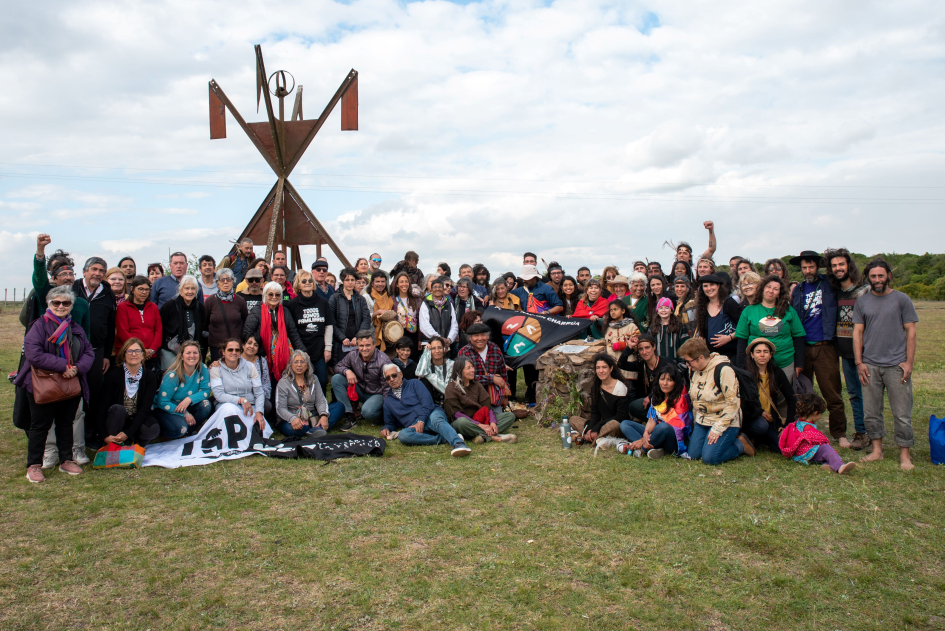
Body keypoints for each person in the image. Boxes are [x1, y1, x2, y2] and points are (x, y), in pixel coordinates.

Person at [16, 286, 96, 483]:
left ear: (71, 306)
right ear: (49, 304)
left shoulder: (75, 328)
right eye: (56, 302)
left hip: (70, 382)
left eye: (65, 303)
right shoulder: (38, 326)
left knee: (65, 423)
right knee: (40, 425)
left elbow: (88, 352)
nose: (61, 306)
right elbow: (33, 354)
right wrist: (63, 366)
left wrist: (76, 368)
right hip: (43, 384)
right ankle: (34, 465)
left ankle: (66, 460)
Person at [854, 259, 918, 470]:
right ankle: (877, 450)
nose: (877, 280)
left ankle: (905, 454)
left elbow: (911, 331)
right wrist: (859, 362)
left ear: (888, 275)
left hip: (896, 365)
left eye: (881, 275)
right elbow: (858, 332)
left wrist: (909, 362)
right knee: (871, 411)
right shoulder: (862, 302)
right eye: (873, 276)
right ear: (868, 278)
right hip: (870, 365)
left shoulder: (902, 299)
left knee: (902, 412)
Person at [789, 250, 847, 446]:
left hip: (825, 346)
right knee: (803, 393)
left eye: (811, 267)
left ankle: (839, 433)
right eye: (804, 267)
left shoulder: (830, 284)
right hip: (803, 346)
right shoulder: (797, 290)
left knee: (832, 392)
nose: (807, 271)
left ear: (817, 267)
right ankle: (805, 432)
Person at [678, 338, 753, 464]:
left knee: (710, 458)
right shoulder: (694, 370)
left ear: (701, 358)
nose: (687, 365)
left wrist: (717, 429)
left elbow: (733, 403)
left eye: (689, 361)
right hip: (703, 420)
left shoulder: (724, 371)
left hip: (725, 420)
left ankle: (740, 445)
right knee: (694, 455)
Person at [827, 248, 870, 450]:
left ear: (849, 265)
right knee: (854, 394)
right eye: (834, 265)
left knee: (870, 394)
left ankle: (874, 435)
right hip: (845, 352)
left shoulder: (865, 291)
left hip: (867, 352)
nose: (838, 268)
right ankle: (861, 433)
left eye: (841, 264)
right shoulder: (835, 293)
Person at [380, 364, 471, 457]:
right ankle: (444, 438)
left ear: (401, 374)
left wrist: (421, 420)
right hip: (415, 426)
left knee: (436, 419)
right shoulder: (388, 401)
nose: (391, 379)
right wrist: (386, 429)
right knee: (403, 435)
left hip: (431, 413)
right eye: (388, 378)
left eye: (394, 375)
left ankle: (459, 443)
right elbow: (390, 422)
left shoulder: (415, 383)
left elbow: (428, 403)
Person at [74, 255, 117, 447]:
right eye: (94, 269)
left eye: (101, 271)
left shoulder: (107, 294)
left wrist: (106, 355)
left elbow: (110, 325)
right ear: (85, 271)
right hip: (73, 350)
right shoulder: (73, 288)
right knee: (74, 390)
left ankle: (90, 433)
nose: (97, 274)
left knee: (93, 392)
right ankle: (70, 433)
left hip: (96, 350)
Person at [734, 274, 806, 382]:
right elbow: (742, 341)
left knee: (785, 391)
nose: (771, 291)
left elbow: (798, 337)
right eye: (768, 287)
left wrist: (799, 363)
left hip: (785, 362)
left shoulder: (789, 311)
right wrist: (741, 367)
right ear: (762, 289)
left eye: (775, 289)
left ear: (779, 294)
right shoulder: (748, 311)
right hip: (756, 365)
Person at [95, 338, 161, 448]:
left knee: (153, 429)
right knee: (118, 410)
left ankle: (134, 444)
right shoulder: (114, 375)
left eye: (137, 351)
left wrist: (128, 433)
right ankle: (111, 444)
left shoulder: (150, 377)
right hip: (116, 420)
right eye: (129, 351)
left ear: (143, 355)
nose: (133, 354)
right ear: (123, 355)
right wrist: (104, 435)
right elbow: (102, 406)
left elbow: (145, 408)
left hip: (136, 420)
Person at [512, 264, 563, 405]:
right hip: (527, 332)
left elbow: (559, 306)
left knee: (542, 361)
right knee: (528, 362)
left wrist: (545, 313)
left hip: (544, 331)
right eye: (524, 278)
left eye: (528, 278)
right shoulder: (519, 291)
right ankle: (530, 392)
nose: (525, 281)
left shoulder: (546, 289)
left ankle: (545, 393)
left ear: (535, 277)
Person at [243, 282, 306, 394]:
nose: (274, 297)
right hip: (263, 356)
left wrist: (303, 351)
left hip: (282, 355)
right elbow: (247, 334)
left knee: (281, 386)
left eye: (277, 295)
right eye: (270, 294)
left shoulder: (285, 311)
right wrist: (262, 352)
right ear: (265, 295)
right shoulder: (257, 311)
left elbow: (293, 333)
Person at [618, 363, 691, 459]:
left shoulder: (680, 399)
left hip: (672, 438)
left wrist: (642, 440)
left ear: (675, 383)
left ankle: (641, 449)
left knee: (663, 427)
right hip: (655, 433)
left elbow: (677, 426)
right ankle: (654, 448)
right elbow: (652, 420)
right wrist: (646, 433)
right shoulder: (657, 397)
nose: (665, 383)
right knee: (625, 424)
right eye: (662, 379)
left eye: (669, 380)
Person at [444, 357, 517, 444]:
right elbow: (457, 414)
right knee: (461, 422)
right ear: (460, 370)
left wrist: (492, 422)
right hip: (465, 422)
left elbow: (487, 407)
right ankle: (493, 437)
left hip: (480, 419)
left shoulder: (477, 385)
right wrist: (479, 425)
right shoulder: (451, 388)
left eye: (472, 367)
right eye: (468, 368)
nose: (472, 370)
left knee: (510, 416)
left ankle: (479, 435)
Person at [779, 394, 856, 474]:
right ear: (815, 413)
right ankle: (840, 467)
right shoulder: (808, 427)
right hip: (808, 453)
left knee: (825, 452)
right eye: (820, 414)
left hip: (801, 452)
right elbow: (820, 439)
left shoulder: (798, 422)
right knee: (826, 448)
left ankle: (827, 465)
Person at [742, 338, 796, 453]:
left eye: (765, 352)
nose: (762, 355)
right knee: (761, 426)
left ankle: (758, 439)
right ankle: (748, 436)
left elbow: (792, 399)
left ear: (770, 355)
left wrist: (787, 425)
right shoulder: (745, 374)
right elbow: (743, 401)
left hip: (772, 421)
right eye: (758, 352)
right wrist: (760, 412)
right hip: (751, 419)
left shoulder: (777, 373)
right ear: (752, 355)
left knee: (784, 448)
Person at [330, 330, 391, 430]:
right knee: (336, 379)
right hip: (360, 390)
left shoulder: (383, 360)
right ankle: (350, 416)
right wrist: (347, 371)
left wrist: (388, 412)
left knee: (367, 412)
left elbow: (387, 388)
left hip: (377, 394)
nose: (364, 349)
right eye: (361, 345)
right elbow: (337, 367)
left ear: (374, 344)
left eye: (368, 345)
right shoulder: (353, 355)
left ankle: (380, 414)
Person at [274, 350, 344, 437]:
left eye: (302, 362)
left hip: (312, 415)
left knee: (339, 406)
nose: (299, 365)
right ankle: (316, 429)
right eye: (296, 362)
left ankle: (315, 428)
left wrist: (324, 415)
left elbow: (320, 401)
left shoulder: (314, 379)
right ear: (291, 365)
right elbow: (281, 408)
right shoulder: (284, 382)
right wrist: (293, 418)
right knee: (292, 430)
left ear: (307, 365)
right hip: (292, 419)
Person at [153, 340, 213, 438]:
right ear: (181, 356)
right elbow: (162, 402)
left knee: (206, 405)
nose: (192, 356)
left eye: (195, 352)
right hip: (167, 409)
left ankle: (188, 432)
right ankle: (167, 434)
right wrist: (185, 414)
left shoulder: (202, 368)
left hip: (186, 405)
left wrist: (188, 399)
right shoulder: (172, 375)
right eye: (188, 353)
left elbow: (205, 391)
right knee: (180, 428)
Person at [284, 269, 333, 390]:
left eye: (310, 280)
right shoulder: (292, 304)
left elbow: (328, 326)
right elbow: (291, 330)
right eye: (304, 281)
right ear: (298, 285)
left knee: (321, 381)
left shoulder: (323, 302)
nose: (307, 283)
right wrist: (300, 349)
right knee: (302, 382)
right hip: (301, 349)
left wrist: (328, 349)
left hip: (320, 349)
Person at [209, 338, 266, 432]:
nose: (234, 352)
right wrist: (241, 400)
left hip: (250, 406)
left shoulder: (250, 366)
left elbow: (259, 392)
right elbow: (219, 395)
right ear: (223, 352)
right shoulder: (215, 368)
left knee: (258, 431)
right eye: (230, 350)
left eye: (237, 350)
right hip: (227, 405)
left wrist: (259, 412)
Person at [573, 353, 630, 444]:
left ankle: (592, 439)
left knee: (614, 424)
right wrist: (591, 428)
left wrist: (597, 426)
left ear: (611, 368)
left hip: (615, 425)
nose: (601, 371)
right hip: (602, 425)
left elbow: (621, 416)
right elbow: (595, 412)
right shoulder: (596, 387)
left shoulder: (620, 388)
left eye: (604, 367)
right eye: (598, 368)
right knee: (574, 419)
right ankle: (593, 436)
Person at [618, 333, 673, 422]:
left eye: (647, 347)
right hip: (653, 402)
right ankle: (653, 421)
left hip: (667, 399)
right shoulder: (641, 365)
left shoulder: (666, 363)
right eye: (641, 349)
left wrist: (651, 396)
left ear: (654, 347)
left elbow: (674, 385)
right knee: (633, 407)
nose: (644, 352)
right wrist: (629, 347)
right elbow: (621, 364)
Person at [457, 322, 510, 408]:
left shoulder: (495, 349)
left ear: (488, 336)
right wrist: (491, 379)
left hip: (493, 396)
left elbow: (503, 374)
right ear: (470, 338)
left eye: (483, 335)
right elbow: (464, 377)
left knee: (500, 415)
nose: (480, 338)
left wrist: (505, 395)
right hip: (472, 397)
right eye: (476, 336)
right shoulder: (464, 352)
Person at [159, 275, 207, 369]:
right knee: (171, 375)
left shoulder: (200, 307)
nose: (190, 291)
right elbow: (160, 327)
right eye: (187, 288)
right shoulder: (169, 306)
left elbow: (202, 330)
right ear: (181, 290)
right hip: (170, 350)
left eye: (193, 288)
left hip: (191, 351)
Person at [114, 276, 162, 370]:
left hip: (150, 354)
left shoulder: (153, 307)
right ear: (132, 289)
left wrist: (152, 349)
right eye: (140, 289)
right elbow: (123, 332)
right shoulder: (123, 307)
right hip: (129, 353)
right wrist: (140, 350)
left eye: (147, 290)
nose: (144, 292)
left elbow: (158, 331)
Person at [327, 268, 372, 364]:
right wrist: (342, 338)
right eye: (347, 280)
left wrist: (358, 337)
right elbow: (330, 321)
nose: (350, 282)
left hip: (358, 342)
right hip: (340, 342)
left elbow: (366, 319)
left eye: (352, 280)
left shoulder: (360, 299)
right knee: (342, 368)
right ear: (342, 281)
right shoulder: (335, 298)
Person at [693, 274, 742, 362]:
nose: (709, 288)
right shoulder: (702, 307)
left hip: (733, 354)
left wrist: (729, 338)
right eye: (705, 286)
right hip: (713, 355)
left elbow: (743, 327)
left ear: (719, 286)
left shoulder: (729, 303)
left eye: (712, 285)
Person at [204, 268, 248, 363]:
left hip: (236, 348)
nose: (225, 282)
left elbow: (245, 322)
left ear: (233, 281)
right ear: (217, 283)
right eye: (222, 280)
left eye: (228, 279)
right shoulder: (210, 301)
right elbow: (205, 323)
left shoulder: (240, 301)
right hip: (217, 348)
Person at [601, 299, 641, 379]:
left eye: (615, 309)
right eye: (611, 310)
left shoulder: (631, 326)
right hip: (613, 368)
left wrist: (622, 345)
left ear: (623, 311)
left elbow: (639, 345)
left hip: (628, 369)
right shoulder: (609, 328)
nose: (613, 312)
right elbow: (606, 346)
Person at [419, 276, 458, 350]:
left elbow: (454, 324)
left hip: (446, 345)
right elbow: (424, 325)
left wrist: (449, 339)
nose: (437, 289)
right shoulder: (426, 303)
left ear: (443, 289)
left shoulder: (449, 304)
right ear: (431, 290)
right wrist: (439, 338)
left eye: (440, 287)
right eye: (435, 287)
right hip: (430, 343)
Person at [390, 271, 423, 358]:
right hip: (399, 335)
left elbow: (421, 320)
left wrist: (420, 339)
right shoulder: (392, 300)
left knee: (413, 359)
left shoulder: (417, 300)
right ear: (397, 285)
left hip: (413, 335)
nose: (404, 284)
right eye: (401, 282)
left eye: (406, 281)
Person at [240, 333, 272, 419]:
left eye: (255, 345)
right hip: (239, 395)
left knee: (267, 405)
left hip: (257, 396)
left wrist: (257, 396)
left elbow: (266, 385)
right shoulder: (236, 359)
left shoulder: (262, 361)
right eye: (249, 343)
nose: (251, 346)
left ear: (258, 349)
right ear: (243, 345)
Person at [415, 336, 454, 405]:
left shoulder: (451, 365)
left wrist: (429, 376)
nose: (437, 351)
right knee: (423, 380)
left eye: (439, 348)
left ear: (444, 349)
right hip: (432, 403)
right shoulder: (427, 365)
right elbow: (419, 373)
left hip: (449, 403)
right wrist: (426, 351)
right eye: (433, 348)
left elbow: (448, 390)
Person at [650, 297, 690, 364]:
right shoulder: (652, 327)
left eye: (666, 308)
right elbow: (649, 346)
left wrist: (682, 365)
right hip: (657, 365)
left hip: (676, 365)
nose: (663, 310)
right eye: (661, 308)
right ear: (657, 311)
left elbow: (685, 346)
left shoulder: (679, 327)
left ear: (671, 311)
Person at [366, 271, 394, 350]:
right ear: (372, 283)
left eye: (382, 281)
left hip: (387, 334)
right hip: (371, 334)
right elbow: (365, 318)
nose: (380, 284)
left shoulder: (389, 297)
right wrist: (378, 312)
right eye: (377, 281)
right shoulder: (367, 297)